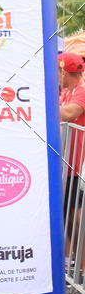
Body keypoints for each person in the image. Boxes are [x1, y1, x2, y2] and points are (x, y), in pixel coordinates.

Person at [59, 52, 85, 270]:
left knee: (77, 219)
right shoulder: (67, 91)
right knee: (68, 215)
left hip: (78, 165)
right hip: (68, 164)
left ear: (64, 72)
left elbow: (69, 113)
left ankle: (82, 269)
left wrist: (40, 105)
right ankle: (73, 263)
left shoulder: (82, 91)